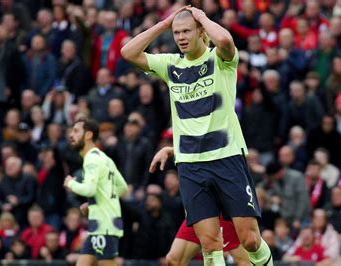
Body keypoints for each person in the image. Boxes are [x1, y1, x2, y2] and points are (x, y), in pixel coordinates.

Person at [122, 6, 272, 265]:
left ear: (202, 32)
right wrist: (164, 23)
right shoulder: (170, 65)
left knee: (250, 240)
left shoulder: (220, 60)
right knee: (209, 244)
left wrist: (201, 16)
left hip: (227, 158)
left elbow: (225, 40)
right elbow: (128, 52)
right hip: (191, 166)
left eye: (186, 31)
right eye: (177, 32)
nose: (180, 37)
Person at [149, 146, 250, 266]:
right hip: (197, 208)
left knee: (243, 261)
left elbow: (208, 144)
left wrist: (171, 150)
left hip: (220, 208)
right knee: (173, 260)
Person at [64, 118, 127, 266]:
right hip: (98, 226)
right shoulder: (104, 158)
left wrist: (71, 183)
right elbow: (122, 187)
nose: (71, 135)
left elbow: (89, 189)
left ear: (88, 135)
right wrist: (97, 203)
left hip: (104, 226)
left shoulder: (91, 159)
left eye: (76, 131)